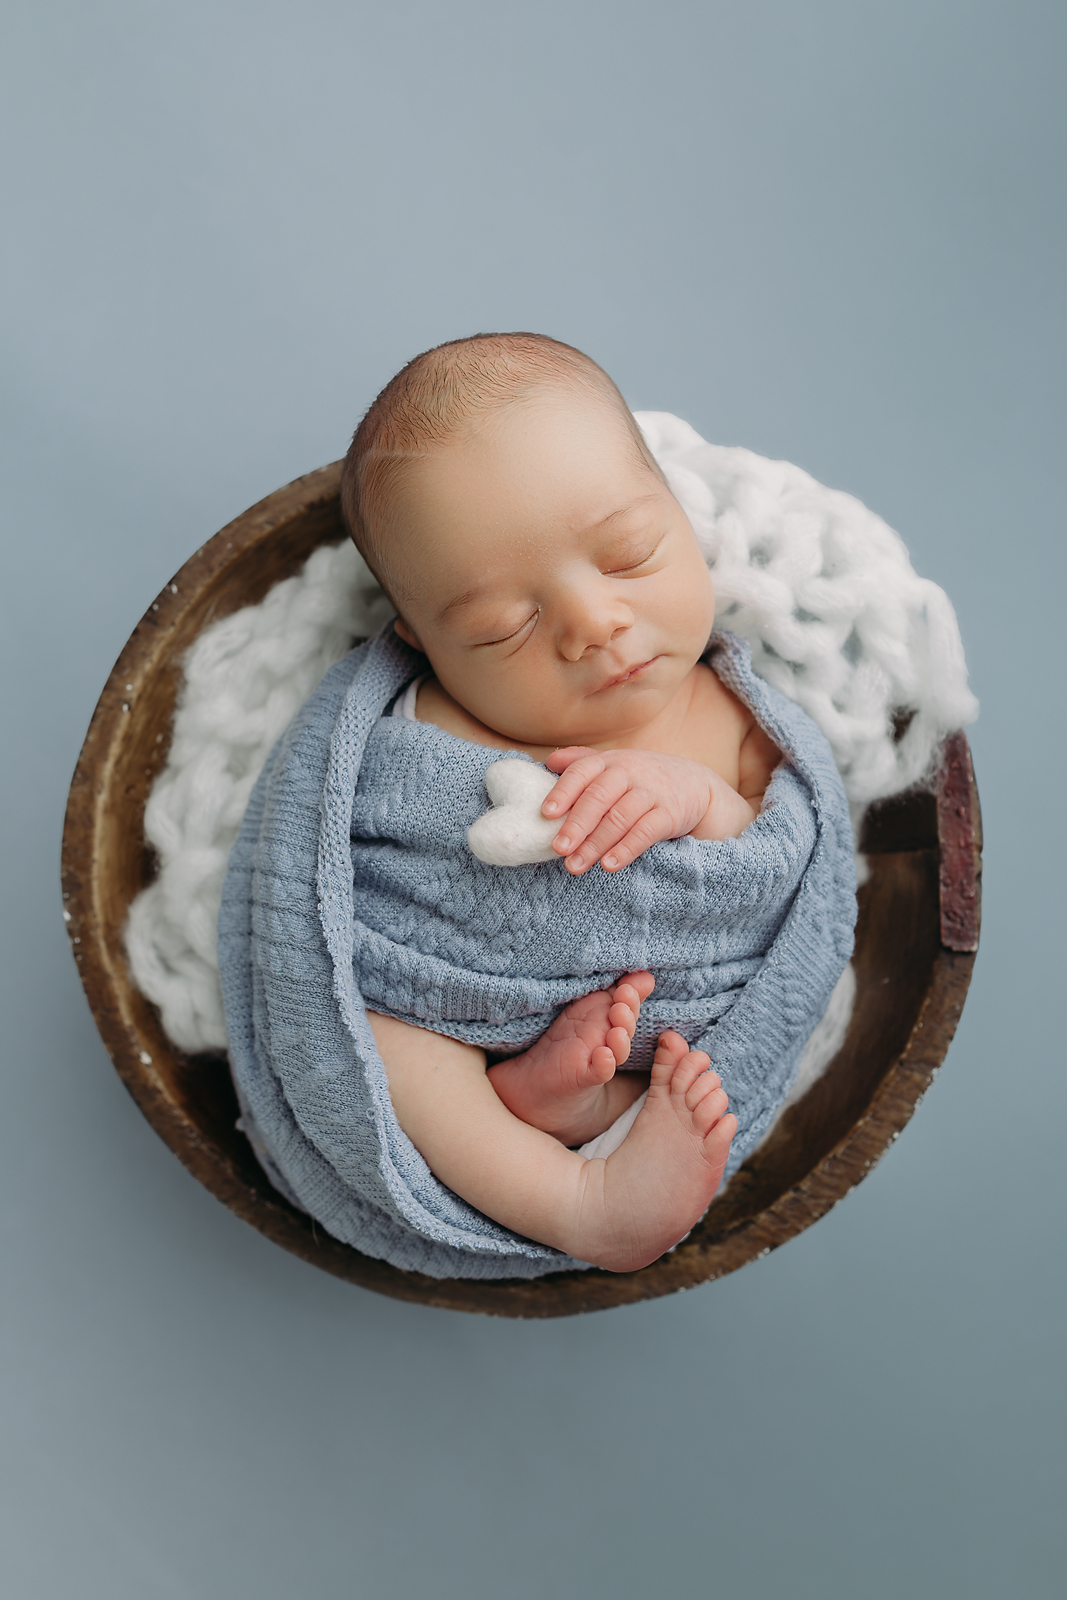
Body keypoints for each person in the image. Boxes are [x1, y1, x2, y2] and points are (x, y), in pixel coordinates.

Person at [337, 332, 790, 1272]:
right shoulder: (428, 723)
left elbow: (779, 857)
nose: (592, 624)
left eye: (628, 555)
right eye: (502, 628)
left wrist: (698, 799)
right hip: (458, 998)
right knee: (380, 1039)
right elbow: (362, 870)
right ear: (420, 645)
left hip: (672, 1013)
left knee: (683, 1079)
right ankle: (572, 1201)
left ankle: (576, 1112)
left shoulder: (735, 715)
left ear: (679, 511)